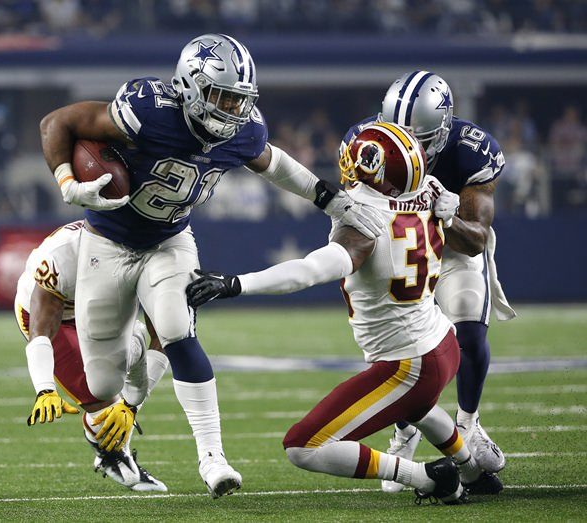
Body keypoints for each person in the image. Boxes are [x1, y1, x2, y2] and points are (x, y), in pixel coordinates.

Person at [38, 33, 385, 498]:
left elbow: (273, 162)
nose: (233, 109)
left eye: (240, 99)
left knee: (177, 328)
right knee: (103, 385)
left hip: (170, 240)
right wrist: (67, 182)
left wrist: (328, 198)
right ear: (190, 85)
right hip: (107, 241)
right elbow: (56, 122)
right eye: (222, 96)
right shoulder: (148, 110)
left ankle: (213, 457)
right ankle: (137, 344)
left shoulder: (243, 130)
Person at [187, 122, 502, 504]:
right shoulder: (431, 190)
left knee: (302, 445)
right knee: (419, 406)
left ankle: (429, 478)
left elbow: (308, 271)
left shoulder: (364, 223)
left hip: (409, 362)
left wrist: (236, 284)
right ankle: (472, 470)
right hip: (442, 342)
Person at [340, 71, 516, 490]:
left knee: (469, 325)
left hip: (451, 248)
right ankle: (405, 429)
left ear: (443, 128)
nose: (407, 145)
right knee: (395, 350)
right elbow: (357, 213)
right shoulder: (364, 142)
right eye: (397, 133)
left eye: (417, 137)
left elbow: (475, 241)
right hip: (398, 247)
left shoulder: (471, 149)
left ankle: (468, 424)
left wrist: (448, 217)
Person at [14, 220, 168, 492]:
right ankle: (111, 454)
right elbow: (41, 330)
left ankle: (119, 423)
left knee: (138, 341)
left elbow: (164, 338)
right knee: (103, 407)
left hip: (102, 309)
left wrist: (132, 406)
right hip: (60, 316)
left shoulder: (148, 256)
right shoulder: (62, 256)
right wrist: (45, 388)